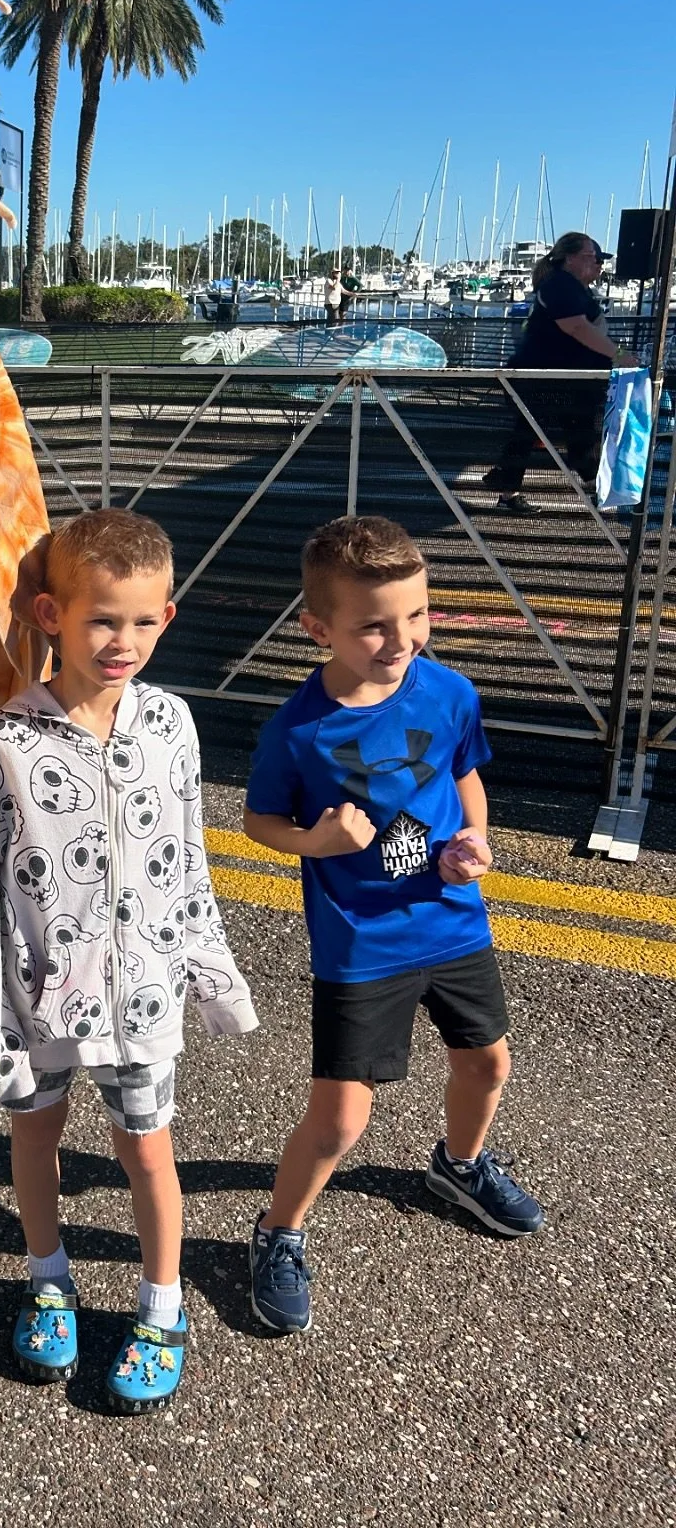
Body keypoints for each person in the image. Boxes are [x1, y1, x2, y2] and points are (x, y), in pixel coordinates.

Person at [0, 508, 258, 1413]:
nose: (122, 640)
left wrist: (211, 975)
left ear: (168, 615)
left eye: (141, 620)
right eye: (101, 619)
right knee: (34, 1138)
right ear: (50, 616)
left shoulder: (173, 725)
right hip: (42, 1008)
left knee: (148, 1152)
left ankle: (161, 1309)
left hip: (148, 1001)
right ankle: (51, 1280)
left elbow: (189, 860)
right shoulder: (6, 743)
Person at [242, 515, 543, 1336]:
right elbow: (259, 820)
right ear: (319, 628)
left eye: (416, 615)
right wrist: (316, 841)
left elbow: (462, 772)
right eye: (373, 624)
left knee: (487, 1063)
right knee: (341, 1118)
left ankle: (460, 1166)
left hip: (453, 922)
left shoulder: (448, 691)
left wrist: (476, 839)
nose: (399, 638)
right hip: (360, 941)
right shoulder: (299, 730)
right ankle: (279, 1230)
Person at [481, 232, 640, 515]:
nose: (599, 265)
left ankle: (509, 487)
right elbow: (577, 328)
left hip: (558, 377)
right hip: (543, 378)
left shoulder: (573, 288)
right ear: (570, 259)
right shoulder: (560, 286)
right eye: (594, 258)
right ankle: (596, 490)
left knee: (550, 431)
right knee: (570, 430)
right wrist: (618, 355)